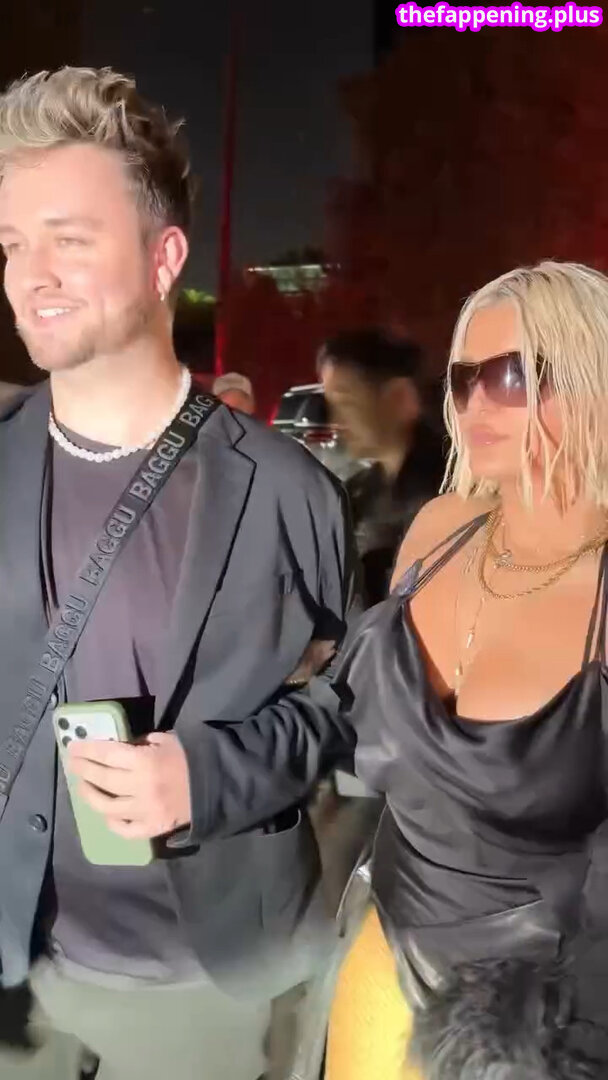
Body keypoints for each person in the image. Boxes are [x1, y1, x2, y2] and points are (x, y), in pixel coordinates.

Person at [0, 67, 357, 1080]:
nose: (31, 275)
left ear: (164, 259)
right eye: (12, 244)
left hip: (207, 988)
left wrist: (206, 775)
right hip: (19, 972)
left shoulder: (288, 492)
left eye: (69, 238)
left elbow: (342, 708)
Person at [326, 261, 608, 1079]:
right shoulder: (439, 530)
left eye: (511, 375)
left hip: (538, 1020)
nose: (476, 403)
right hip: (384, 943)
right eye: (462, 378)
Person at [318, 331, 445, 606]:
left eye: (347, 403)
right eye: (331, 405)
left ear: (400, 398)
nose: (336, 420)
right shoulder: (358, 492)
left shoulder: (450, 494)